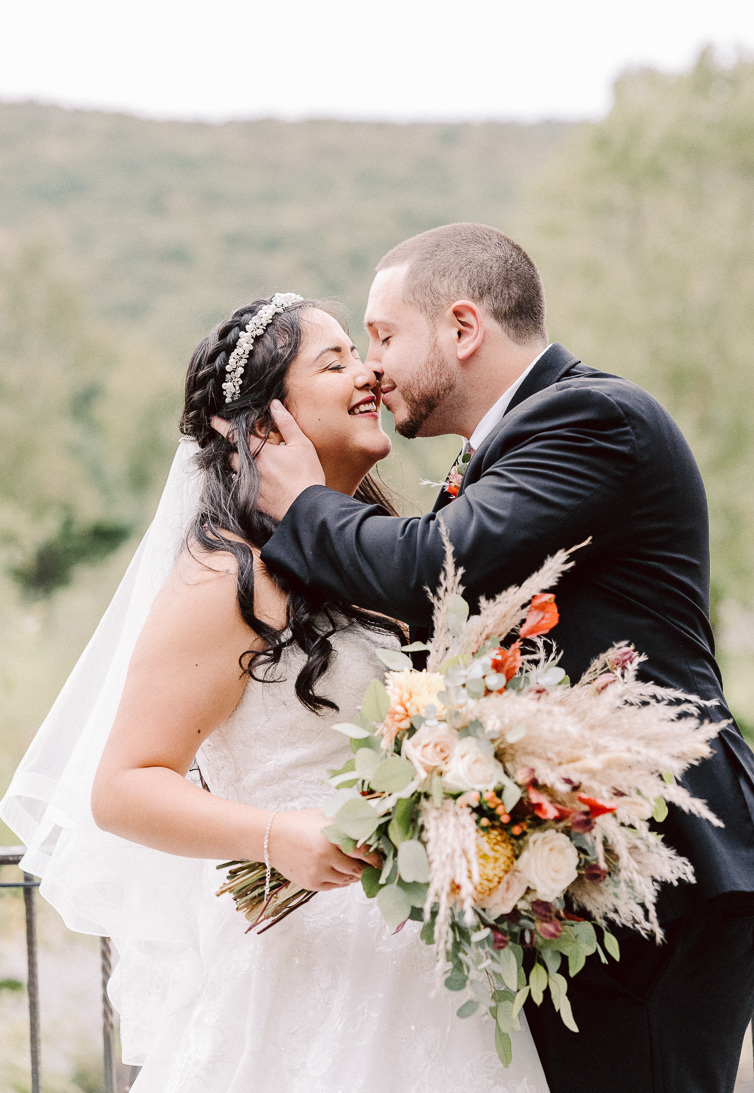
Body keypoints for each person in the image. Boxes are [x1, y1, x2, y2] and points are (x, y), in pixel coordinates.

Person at [237, 224, 754, 1093]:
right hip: (586, 876)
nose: (374, 368)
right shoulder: (508, 447)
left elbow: (431, 569)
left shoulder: (589, 418)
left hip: (662, 872)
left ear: (462, 327)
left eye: (384, 337)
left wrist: (303, 502)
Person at [1, 293, 549, 1093]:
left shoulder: (374, 562)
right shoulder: (226, 576)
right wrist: (275, 836)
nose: (367, 374)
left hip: (430, 963)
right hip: (308, 968)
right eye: (334, 363)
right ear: (263, 426)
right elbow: (121, 787)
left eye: (359, 354)